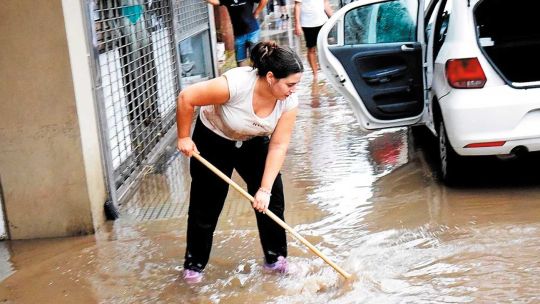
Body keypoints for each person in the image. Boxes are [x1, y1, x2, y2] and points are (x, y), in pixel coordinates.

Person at [176, 41, 304, 283]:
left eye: (296, 84)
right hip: (214, 138)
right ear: (270, 77)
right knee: (206, 205)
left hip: (253, 142)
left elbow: (278, 145)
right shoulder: (235, 85)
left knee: (272, 201)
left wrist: (264, 190)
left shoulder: (289, 101)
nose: (293, 90)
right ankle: (194, 266)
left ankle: (275, 259)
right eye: (290, 84)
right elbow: (187, 97)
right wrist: (183, 136)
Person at [207, 0, 268, 66]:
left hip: (253, 32)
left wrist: (257, 12)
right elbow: (214, 1)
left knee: (257, 59)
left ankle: (257, 75)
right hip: (238, 35)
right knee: (240, 62)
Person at [294, 0, 333, 80]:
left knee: (325, 47)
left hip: (323, 21)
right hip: (308, 23)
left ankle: (325, 70)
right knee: (311, 49)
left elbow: (325, 3)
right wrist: (297, 24)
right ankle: (315, 74)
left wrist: (333, 17)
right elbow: (297, 5)